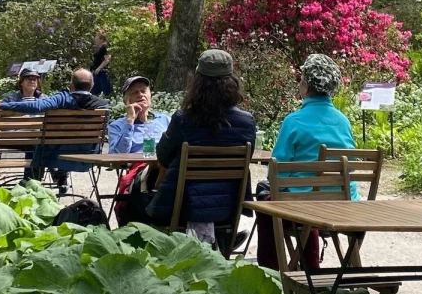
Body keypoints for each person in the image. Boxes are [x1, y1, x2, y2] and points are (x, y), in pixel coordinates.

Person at [118, 50, 254, 250]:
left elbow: (162, 156)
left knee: (131, 198)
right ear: (233, 82)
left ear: (197, 82)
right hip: (226, 208)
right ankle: (222, 239)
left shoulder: (183, 119)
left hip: (181, 208)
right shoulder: (246, 122)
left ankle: (139, 251)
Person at [256, 53, 360, 270]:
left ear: (306, 84)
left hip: (303, 209)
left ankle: (273, 270)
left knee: (265, 198)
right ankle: (309, 257)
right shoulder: (343, 121)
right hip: (343, 206)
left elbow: (276, 174)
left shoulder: (294, 121)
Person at [0, 69, 109, 192]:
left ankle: (31, 180)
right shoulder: (102, 106)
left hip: (53, 155)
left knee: (38, 142)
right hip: (88, 156)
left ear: (71, 86)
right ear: (92, 85)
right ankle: (59, 176)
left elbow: (37, 106)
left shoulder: (62, 99)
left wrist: (5, 105)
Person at [108, 76, 170, 154]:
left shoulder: (165, 120)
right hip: (136, 164)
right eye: (134, 92)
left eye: (143, 91)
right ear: (126, 101)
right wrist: (129, 122)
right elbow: (116, 155)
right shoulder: (117, 126)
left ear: (150, 95)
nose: (140, 95)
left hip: (165, 164)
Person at [90, 31, 113, 96]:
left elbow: (107, 59)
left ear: (101, 39)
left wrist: (99, 68)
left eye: (96, 38)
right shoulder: (98, 48)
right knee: (93, 92)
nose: (95, 39)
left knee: (106, 92)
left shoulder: (105, 47)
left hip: (103, 73)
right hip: (96, 73)